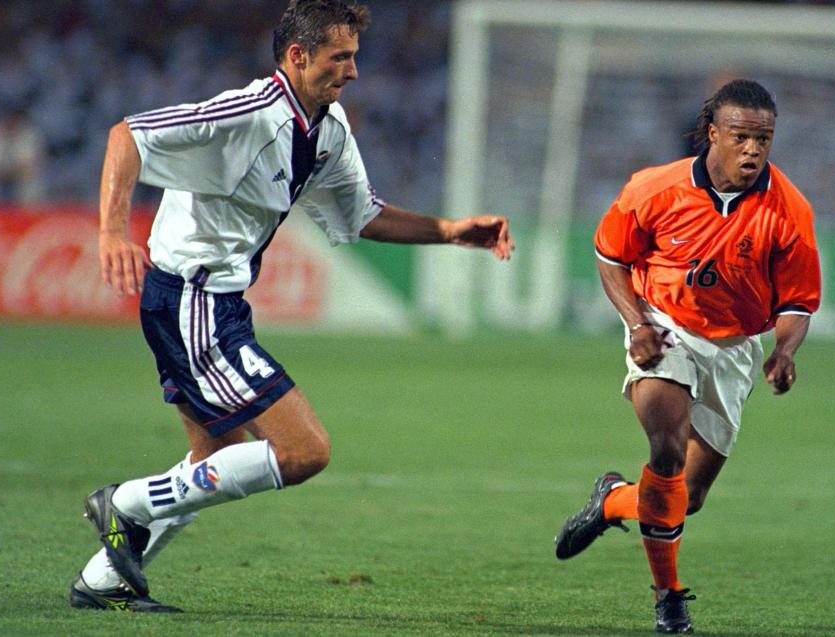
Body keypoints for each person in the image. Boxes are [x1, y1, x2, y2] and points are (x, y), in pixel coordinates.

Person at [70, 0, 514, 613]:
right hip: (191, 301)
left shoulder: (327, 129)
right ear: (298, 56)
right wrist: (112, 231)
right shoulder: (249, 111)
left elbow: (361, 212)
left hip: (216, 302)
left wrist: (450, 230)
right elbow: (129, 136)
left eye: (354, 57)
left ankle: (102, 579)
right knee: (304, 451)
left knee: (215, 463)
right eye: (342, 57)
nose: (354, 71)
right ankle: (125, 505)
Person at [553, 79, 820, 634]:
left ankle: (611, 501)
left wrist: (785, 350)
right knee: (667, 450)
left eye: (764, 139)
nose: (753, 150)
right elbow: (609, 256)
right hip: (664, 326)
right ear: (713, 134)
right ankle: (669, 599)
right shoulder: (654, 189)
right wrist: (635, 323)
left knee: (686, 498)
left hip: (736, 347)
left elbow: (797, 302)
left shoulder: (790, 210)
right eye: (742, 137)